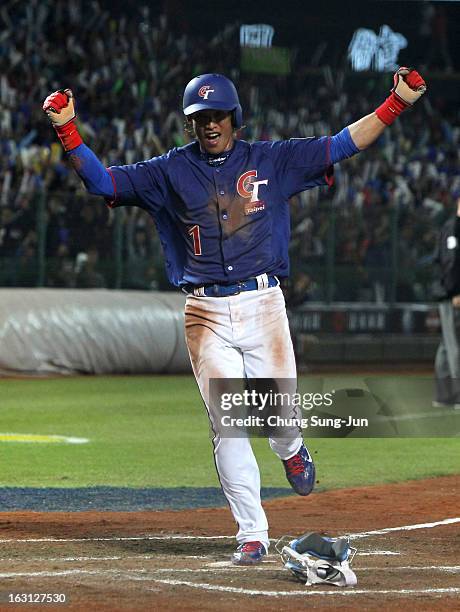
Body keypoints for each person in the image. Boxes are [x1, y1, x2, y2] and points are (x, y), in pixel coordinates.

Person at [43, 68, 426, 565]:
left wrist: (396, 102)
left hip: (263, 304)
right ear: (190, 123)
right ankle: (252, 533)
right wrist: (68, 129)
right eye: (200, 117)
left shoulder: (273, 159)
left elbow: (342, 144)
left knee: (277, 418)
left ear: (235, 118)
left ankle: (290, 448)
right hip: (204, 310)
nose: (209, 124)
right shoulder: (169, 171)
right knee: (228, 422)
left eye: (217, 115)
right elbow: (103, 182)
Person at [432, 197, 460, 409]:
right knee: (455, 345)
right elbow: (450, 262)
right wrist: (455, 292)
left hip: (450, 293)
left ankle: (443, 396)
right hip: (453, 295)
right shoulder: (453, 227)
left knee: (446, 345)